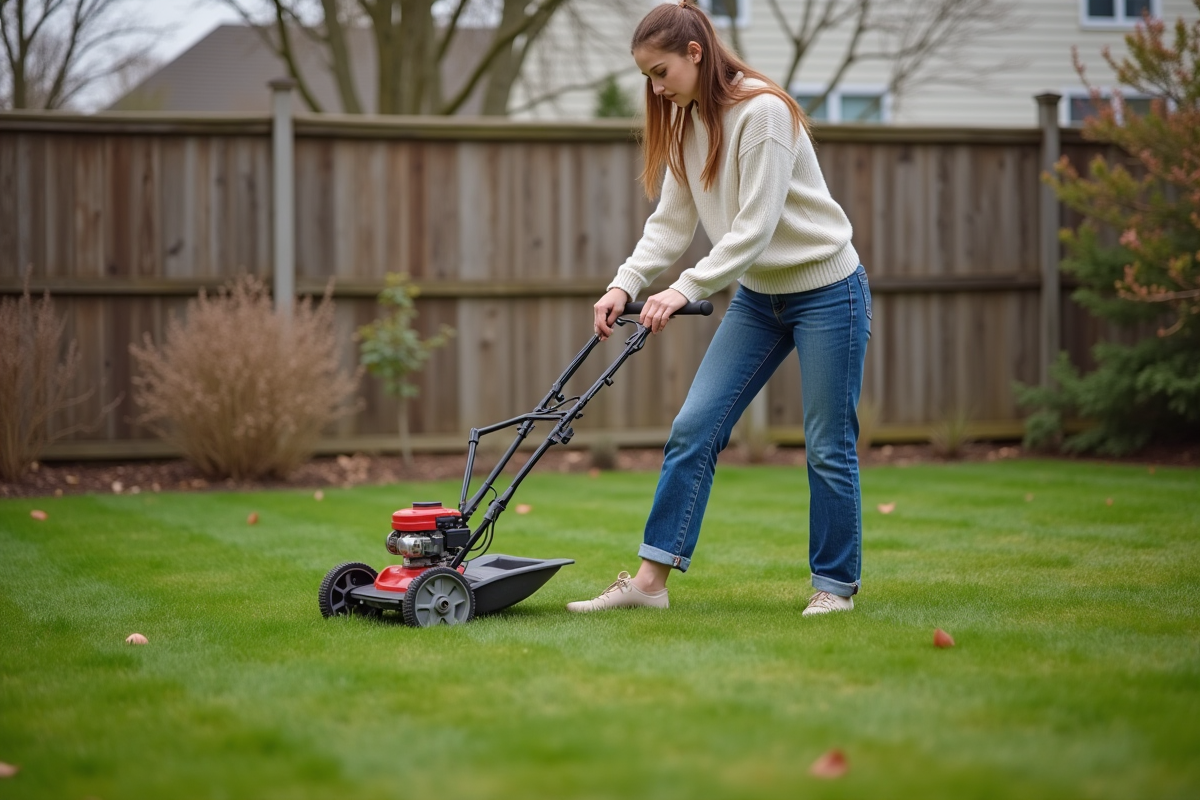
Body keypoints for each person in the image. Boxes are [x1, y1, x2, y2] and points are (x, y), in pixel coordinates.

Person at [565, 0, 871, 618]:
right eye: (647, 75)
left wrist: (685, 289)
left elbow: (754, 229)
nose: (654, 87)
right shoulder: (686, 119)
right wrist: (624, 284)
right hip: (760, 298)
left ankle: (834, 587)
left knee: (827, 443)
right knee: (694, 427)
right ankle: (650, 584)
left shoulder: (763, 114)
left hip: (827, 291)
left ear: (694, 55)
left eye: (660, 71)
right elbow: (671, 224)